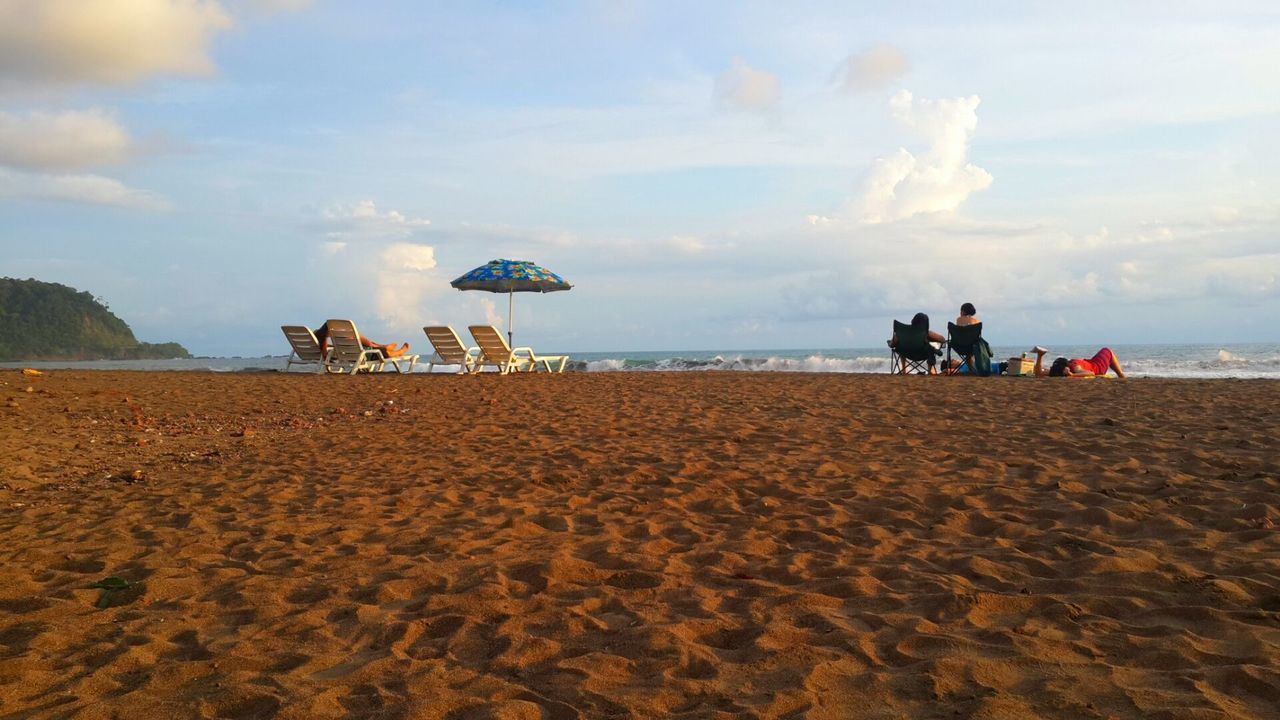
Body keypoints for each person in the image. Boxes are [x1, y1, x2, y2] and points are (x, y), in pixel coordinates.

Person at [314, 324, 411, 359]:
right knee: (383, 352)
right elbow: (325, 354)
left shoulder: (321, 342)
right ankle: (398, 351)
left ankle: (380, 346)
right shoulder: (326, 346)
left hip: (347, 354)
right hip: (357, 355)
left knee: (361, 341)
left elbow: (325, 352)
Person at [1031, 345, 1126, 378]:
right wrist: (1073, 375)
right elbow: (1091, 373)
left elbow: (1038, 373)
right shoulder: (1074, 368)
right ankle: (1121, 375)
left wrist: (1040, 357)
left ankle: (1121, 375)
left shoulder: (1068, 368)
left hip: (1091, 363)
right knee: (1107, 350)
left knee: (1107, 350)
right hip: (1098, 367)